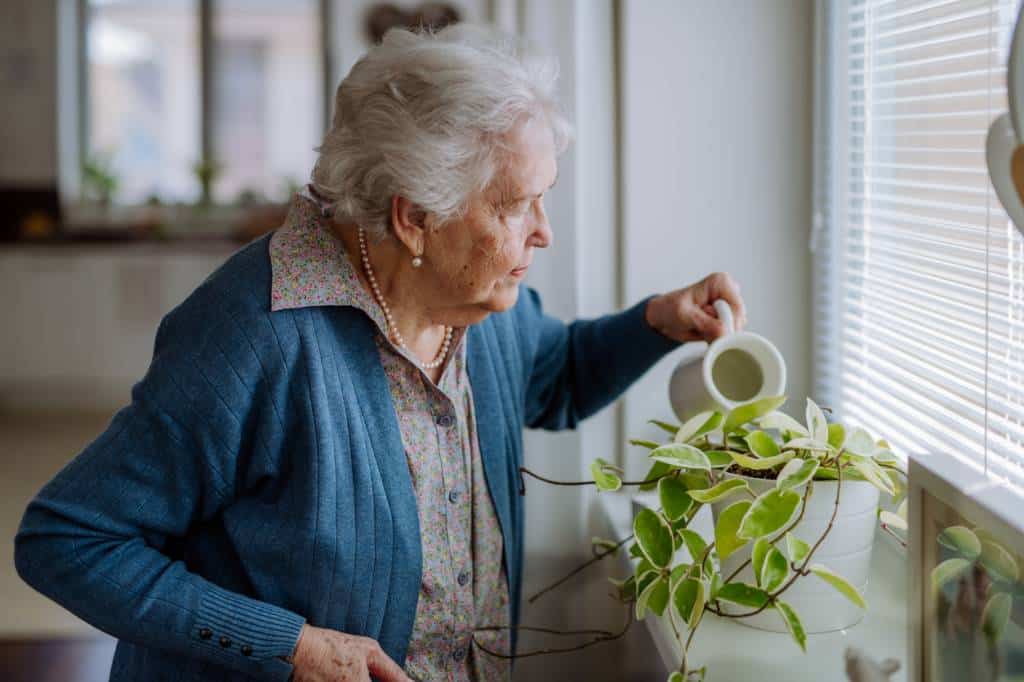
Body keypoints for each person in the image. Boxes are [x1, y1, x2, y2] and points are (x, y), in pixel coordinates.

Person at [15, 24, 746, 682]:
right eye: (517, 204)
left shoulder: (481, 303)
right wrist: (291, 647)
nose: (544, 232)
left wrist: (655, 322)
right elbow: (69, 539)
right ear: (416, 217)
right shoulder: (252, 334)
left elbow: (552, 377)